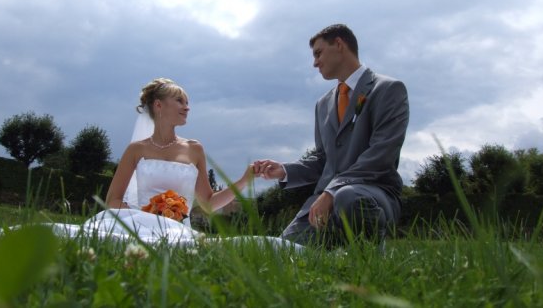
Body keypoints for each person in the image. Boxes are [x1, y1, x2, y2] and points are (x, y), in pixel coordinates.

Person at [253, 24, 409, 247]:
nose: (315, 63)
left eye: (318, 53)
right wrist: (285, 170)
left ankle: (371, 257)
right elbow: (323, 160)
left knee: (348, 197)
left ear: (338, 44)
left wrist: (333, 191)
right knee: (283, 252)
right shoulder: (322, 104)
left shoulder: (388, 90)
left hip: (371, 193)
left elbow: (381, 154)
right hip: (322, 201)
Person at [85, 77, 256, 243]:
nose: (187, 108)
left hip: (179, 233)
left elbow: (209, 204)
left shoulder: (194, 149)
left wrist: (244, 180)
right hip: (141, 230)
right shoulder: (135, 150)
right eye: (180, 101)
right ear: (158, 105)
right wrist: (143, 218)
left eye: (187, 103)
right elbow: (113, 200)